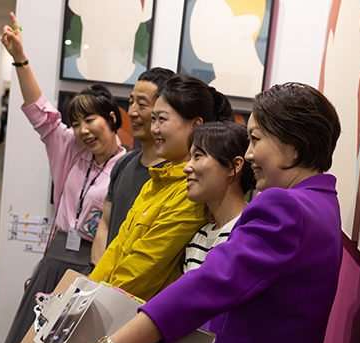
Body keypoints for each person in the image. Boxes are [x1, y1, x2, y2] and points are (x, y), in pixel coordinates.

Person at [42, 82, 344, 343]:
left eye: (255, 139)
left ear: (294, 145)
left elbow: (208, 284)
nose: (249, 154)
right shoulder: (322, 204)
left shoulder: (287, 206)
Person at [0, 13, 127, 343]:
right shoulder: (69, 150)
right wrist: (20, 58)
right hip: (54, 266)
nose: (83, 130)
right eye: (76, 123)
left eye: (91, 120)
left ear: (112, 118)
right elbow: (41, 113)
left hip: (93, 270)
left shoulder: (128, 167)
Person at [89, 74, 235, 300]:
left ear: (195, 125)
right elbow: (117, 247)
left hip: (135, 309)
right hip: (110, 300)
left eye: (162, 120)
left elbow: (144, 265)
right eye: (153, 119)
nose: (154, 129)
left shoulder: (193, 191)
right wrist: (86, 292)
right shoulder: (154, 182)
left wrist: (96, 299)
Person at [90, 67, 175, 265]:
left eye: (142, 104)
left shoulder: (175, 172)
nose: (131, 112)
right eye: (130, 102)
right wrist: (96, 273)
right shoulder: (123, 163)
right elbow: (105, 224)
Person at [182, 120, 255, 274]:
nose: (186, 167)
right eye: (189, 158)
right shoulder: (198, 237)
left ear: (234, 166)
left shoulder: (250, 231)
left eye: (197, 156)